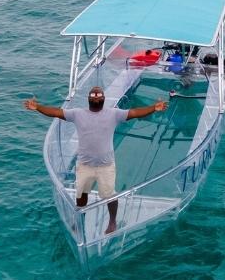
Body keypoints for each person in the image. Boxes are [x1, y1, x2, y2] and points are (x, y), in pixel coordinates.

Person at [24, 87, 167, 234]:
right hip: (84, 165)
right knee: (81, 195)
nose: (97, 97)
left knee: (109, 195)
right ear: (89, 100)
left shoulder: (114, 114)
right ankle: (80, 219)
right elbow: (56, 112)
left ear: (103, 99)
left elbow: (135, 112)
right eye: (94, 95)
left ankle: (112, 221)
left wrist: (154, 108)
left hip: (106, 166)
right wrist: (37, 107)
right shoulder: (77, 114)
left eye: (99, 95)